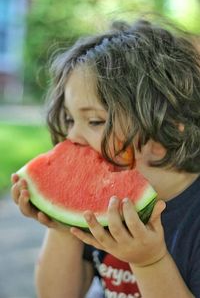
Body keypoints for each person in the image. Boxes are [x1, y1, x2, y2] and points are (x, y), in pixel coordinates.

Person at [11, 17, 200, 298]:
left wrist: (150, 261)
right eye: (69, 119)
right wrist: (64, 229)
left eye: (95, 121)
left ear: (167, 127)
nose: (72, 136)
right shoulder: (101, 201)